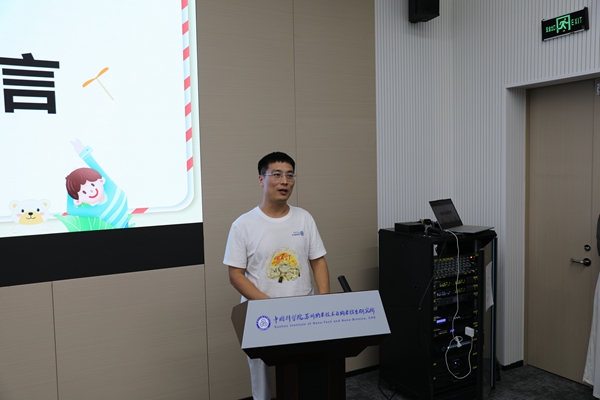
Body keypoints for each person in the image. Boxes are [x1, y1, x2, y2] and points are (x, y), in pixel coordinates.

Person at [223, 151, 330, 400]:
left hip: (303, 312)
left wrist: (324, 301)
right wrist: (270, 306)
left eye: (290, 176)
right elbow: (235, 275)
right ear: (261, 179)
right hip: (262, 315)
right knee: (264, 380)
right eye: (277, 175)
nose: (285, 181)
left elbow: (318, 260)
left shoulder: (304, 218)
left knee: (305, 376)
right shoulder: (243, 224)